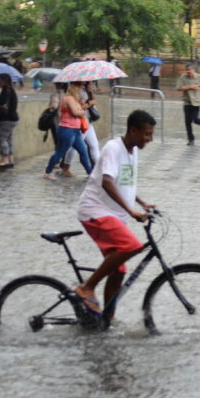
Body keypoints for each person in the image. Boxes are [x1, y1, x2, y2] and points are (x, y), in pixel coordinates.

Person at [71, 110, 158, 319]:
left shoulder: (132, 151)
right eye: (146, 134)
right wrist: (131, 211)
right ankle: (87, 287)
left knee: (118, 271)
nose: (149, 139)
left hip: (114, 216)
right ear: (133, 130)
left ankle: (106, 319)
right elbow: (107, 181)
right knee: (132, 246)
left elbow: (124, 183)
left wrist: (142, 203)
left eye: (151, 134)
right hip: (95, 211)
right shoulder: (113, 148)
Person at [44, 82, 93, 179]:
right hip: (67, 130)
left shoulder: (75, 100)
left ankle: (90, 173)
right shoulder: (68, 99)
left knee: (83, 151)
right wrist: (82, 111)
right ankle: (47, 172)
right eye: (79, 88)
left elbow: (79, 110)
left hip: (75, 130)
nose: (80, 90)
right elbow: (76, 113)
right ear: (74, 89)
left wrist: (81, 106)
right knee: (59, 153)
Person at [61, 82, 102, 176]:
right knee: (75, 147)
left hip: (87, 121)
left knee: (94, 144)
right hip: (80, 122)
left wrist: (90, 92)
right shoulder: (74, 90)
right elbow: (78, 108)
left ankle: (99, 169)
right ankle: (66, 167)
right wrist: (89, 103)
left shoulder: (84, 89)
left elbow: (93, 101)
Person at [0, 73, 19, 170]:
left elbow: (2, 102)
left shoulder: (6, 90)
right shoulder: (10, 90)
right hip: (11, 119)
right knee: (8, 139)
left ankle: (4, 160)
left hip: (6, 119)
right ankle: (10, 160)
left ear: (4, 81)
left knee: (2, 139)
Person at [176, 63, 200, 145]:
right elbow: (178, 88)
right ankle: (191, 139)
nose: (189, 72)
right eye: (187, 70)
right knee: (187, 122)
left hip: (197, 102)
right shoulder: (183, 77)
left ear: (193, 69)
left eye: (190, 70)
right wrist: (190, 87)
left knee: (195, 119)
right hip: (187, 102)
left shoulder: (199, 77)